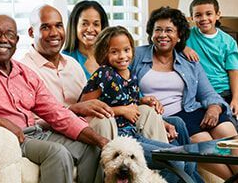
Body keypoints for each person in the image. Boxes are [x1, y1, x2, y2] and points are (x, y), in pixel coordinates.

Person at [0, 14, 109, 183]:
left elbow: (57, 113)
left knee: (92, 150)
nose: (3, 39)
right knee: (57, 152)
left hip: (36, 133)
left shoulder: (25, 74)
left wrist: (101, 141)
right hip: (10, 140)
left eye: (9, 34)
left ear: (16, 40)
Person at [130, 6, 238, 181]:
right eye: (158, 29)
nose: (162, 35)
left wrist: (214, 107)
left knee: (227, 130)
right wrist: (142, 101)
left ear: (179, 36)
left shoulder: (188, 60)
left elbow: (208, 93)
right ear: (151, 33)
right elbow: (123, 88)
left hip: (193, 110)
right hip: (170, 118)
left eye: (169, 30)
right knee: (202, 141)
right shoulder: (136, 55)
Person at [80, 25, 203, 183]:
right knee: (175, 161)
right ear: (104, 53)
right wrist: (121, 110)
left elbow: (127, 99)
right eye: (114, 51)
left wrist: (142, 100)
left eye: (126, 50)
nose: (122, 56)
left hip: (135, 136)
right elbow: (85, 109)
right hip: (119, 142)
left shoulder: (130, 74)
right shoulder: (104, 74)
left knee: (185, 155)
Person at [21, 4, 117, 139]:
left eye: (59, 26)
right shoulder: (23, 70)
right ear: (31, 32)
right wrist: (73, 110)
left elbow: (89, 102)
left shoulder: (73, 64)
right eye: (45, 27)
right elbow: (29, 125)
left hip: (83, 130)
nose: (54, 33)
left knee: (104, 118)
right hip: (49, 137)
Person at [186, 0, 238, 117]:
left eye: (209, 14)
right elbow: (170, 44)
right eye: (198, 15)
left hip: (228, 87)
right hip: (207, 92)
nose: (204, 18)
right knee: (224, 116)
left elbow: (234, 72)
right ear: (191, 18)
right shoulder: (187, 36)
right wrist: (184, 48)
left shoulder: (228, 41)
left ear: (218, 15)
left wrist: (235, 99)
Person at [63, 0, 109, 79]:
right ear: (75, 26)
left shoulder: (112, 57)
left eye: (96, 24)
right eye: (84, 24)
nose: (90, 29)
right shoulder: (64, 59)